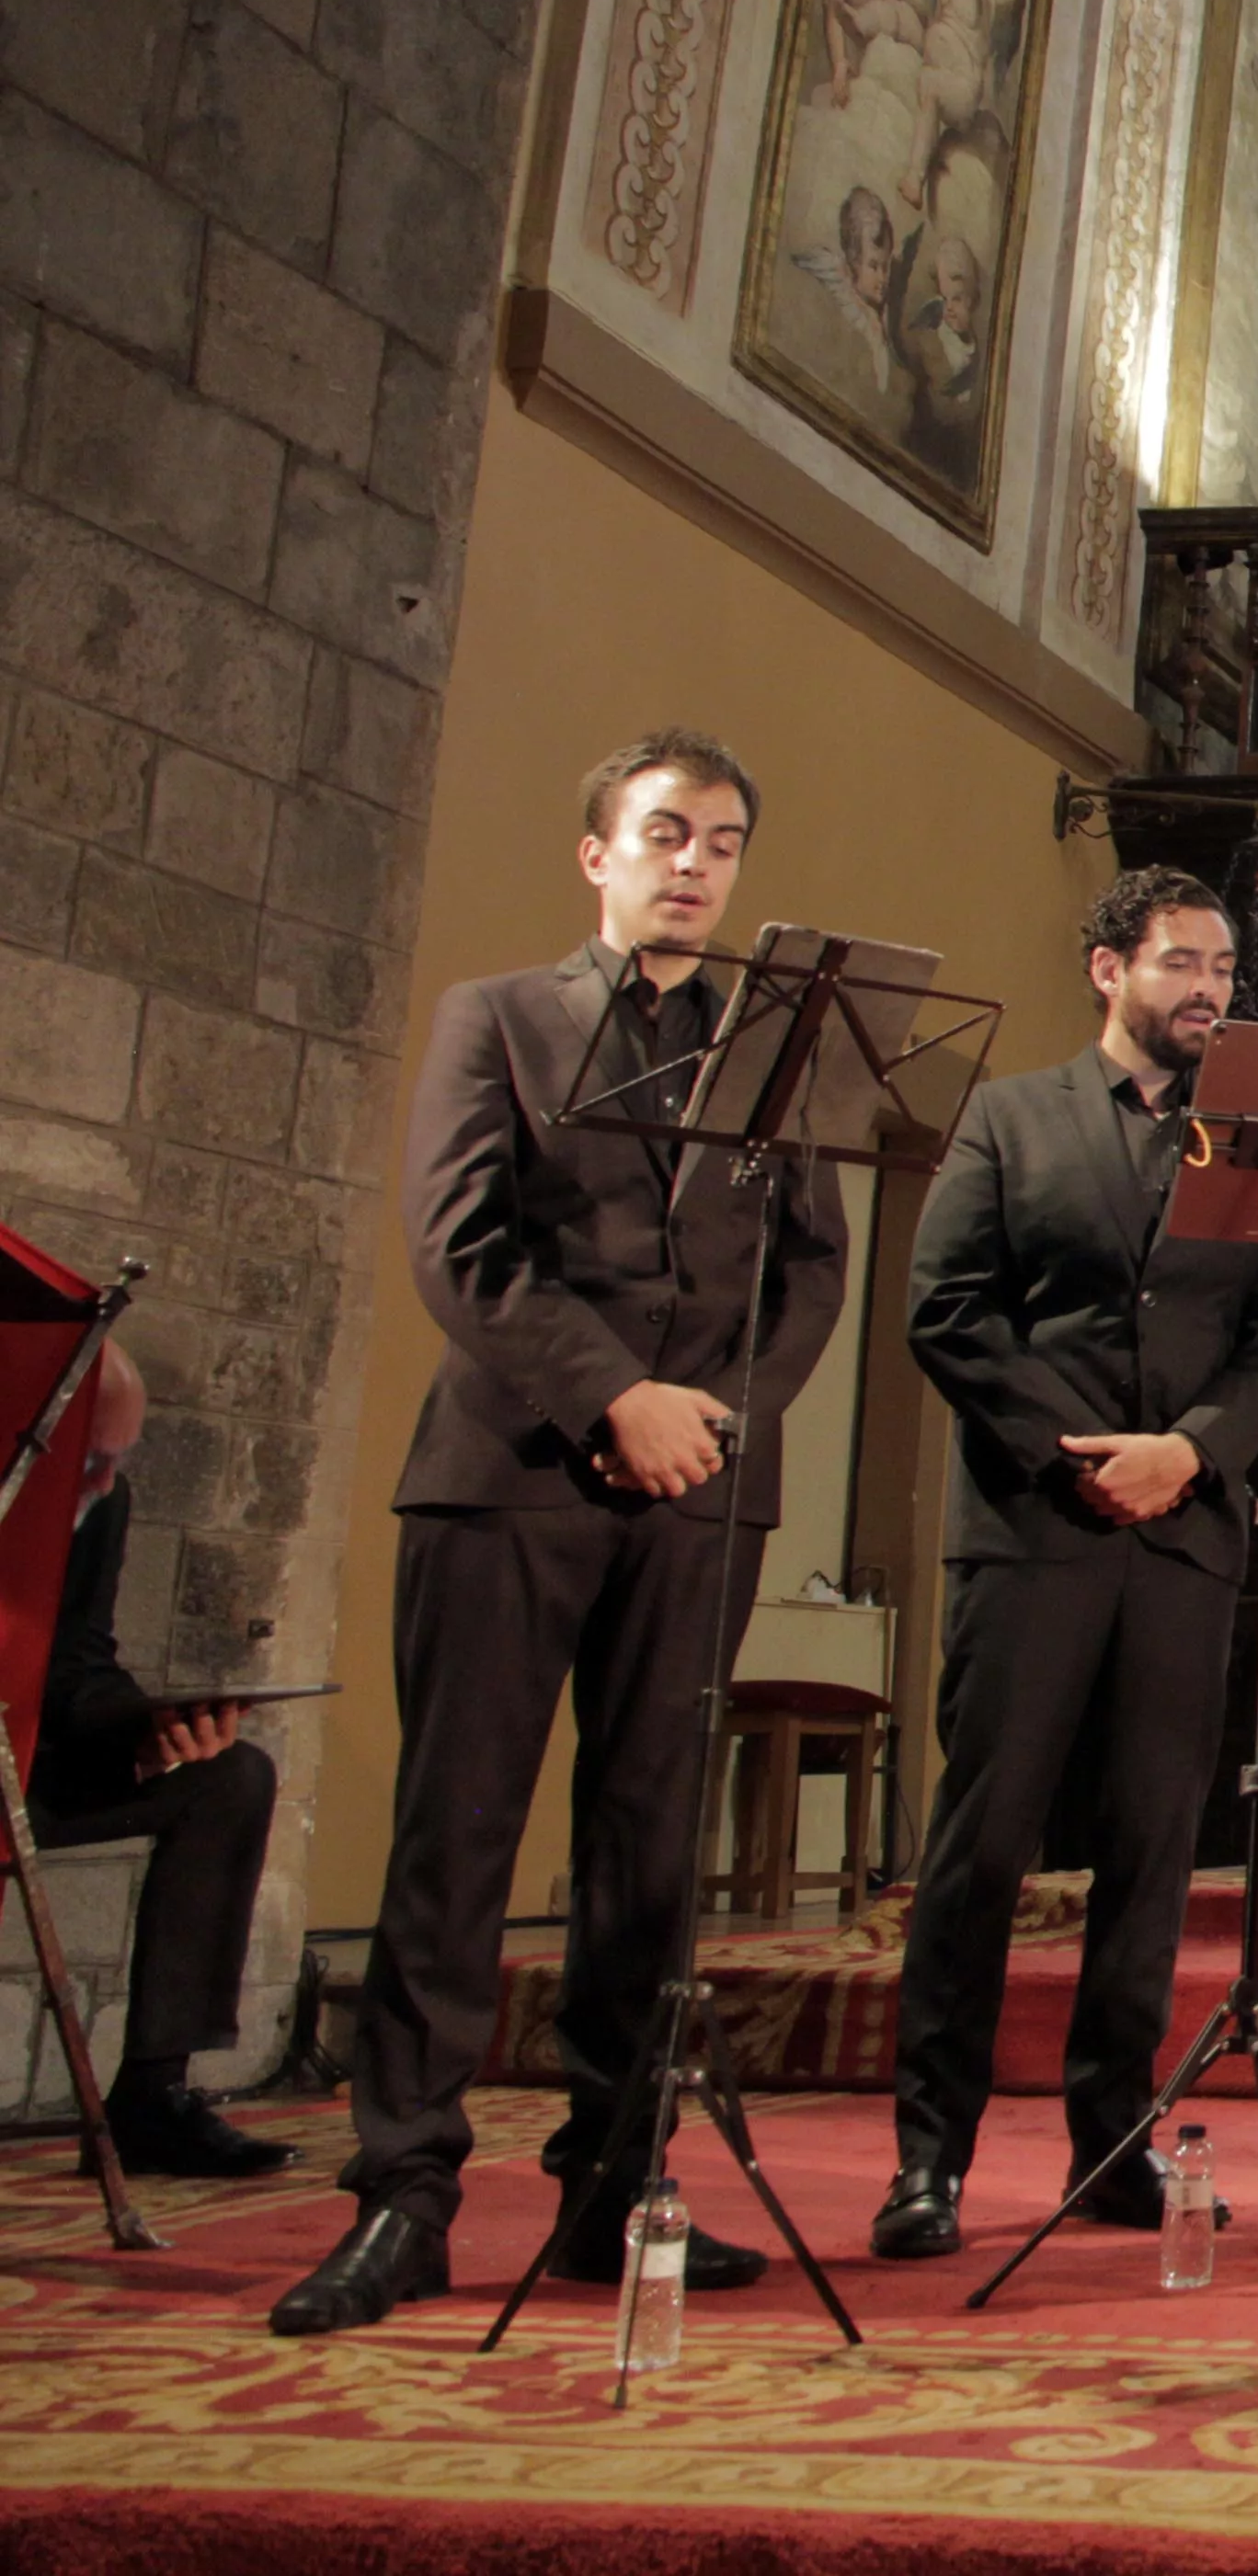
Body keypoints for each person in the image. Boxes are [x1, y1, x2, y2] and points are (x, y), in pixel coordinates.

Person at [275, 730, 852, 2336]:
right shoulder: (500, 1015)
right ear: (595, 852)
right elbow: (459, 1242)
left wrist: (716, 1414)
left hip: (702, 1487)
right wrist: (619, 1400)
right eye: (665, 832)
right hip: (515, 1468)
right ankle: (405, 2194)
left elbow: (811, 1270)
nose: (695, 864)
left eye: (723, 843)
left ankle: (617, 2185)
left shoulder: (777, 1045)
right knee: (456, 1840)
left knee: (648, 1848)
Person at [870, 869, 1258, 2263]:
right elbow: (947, 1312)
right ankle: (929, 2157)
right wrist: (1080, 1454)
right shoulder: (1010, 1116)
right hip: (1034, 1531)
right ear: (1110, 971)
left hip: (1183, 1539)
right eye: (1182, 962)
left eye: (1224, 967)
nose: (1210, 991)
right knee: (981, 1849)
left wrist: (1192, 1452)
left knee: (1151, 1859)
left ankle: (1112, 2141)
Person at [25, 1347, 292, 2179]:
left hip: (24, 1767)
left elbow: (77, 1669)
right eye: (90, 1461)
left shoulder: (100, 1503)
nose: (105, 1482)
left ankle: (152, 2098)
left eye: (119, 1460)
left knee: (229, 1777)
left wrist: (151, 1730)